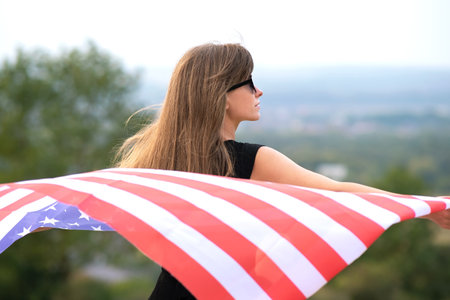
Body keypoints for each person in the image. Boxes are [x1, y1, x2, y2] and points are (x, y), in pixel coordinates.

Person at [114, 43, 450, 299]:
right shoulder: (252, 160)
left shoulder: (161, 163)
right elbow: (338, 193)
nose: (258, 91)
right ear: (223, 96)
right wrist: (426, 207)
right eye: (248, 83)